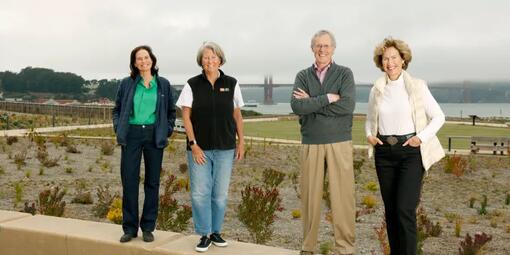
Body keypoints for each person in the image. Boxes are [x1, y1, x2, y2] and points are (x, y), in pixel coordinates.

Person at [365, 37, 445, 254]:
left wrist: (421, 137)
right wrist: (369, 136)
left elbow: (439, 116)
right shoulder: (376, 89)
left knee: (404, 210)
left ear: (403, 59)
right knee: (391, 213)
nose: (390, 62)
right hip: (384, 154)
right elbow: (370, 121)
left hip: (410, 153)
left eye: (394, 57)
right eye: (385, 59)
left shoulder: (417, 86)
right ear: (380, 62)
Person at [291, 30, 356, 255]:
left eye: (326, 46)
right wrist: (328, 98)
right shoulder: (302, 76)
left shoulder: (344, 74)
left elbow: (347, 106)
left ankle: (345, 248)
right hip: (311, 142)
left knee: (343, 198)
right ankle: (307, 247)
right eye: (318, 45)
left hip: (340, 142)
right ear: (312, 48)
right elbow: (297, 107)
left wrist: (312, 103)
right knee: (310, 198)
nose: (322, 50)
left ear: (333, 49)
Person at [175, 41, 245, 253]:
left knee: (220, 194)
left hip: (225, 148)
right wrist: (193, 144)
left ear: (220, 60)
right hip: (200, 149)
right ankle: (204, 234)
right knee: (199, 193)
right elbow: (185, 115)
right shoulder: (192, 84)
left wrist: (241, 142)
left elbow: (237, 115)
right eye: (206, 57)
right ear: (201, 61)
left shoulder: (232, 83)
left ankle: (216, 231)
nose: (210, 61)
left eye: (213, 57)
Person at [112, 45, 176, 243]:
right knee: (129, 181)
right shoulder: (126, 83)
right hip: (131, 134)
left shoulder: (163, 84)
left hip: (154, 135)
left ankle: (148, 227)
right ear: (134, 63)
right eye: (139, 58)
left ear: (152, 60)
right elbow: (117, 109)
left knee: (152, 182)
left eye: (146, 57)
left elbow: (171, 112)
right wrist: (119, 127)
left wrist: (166, 130)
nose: (143, 61)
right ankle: (130, 228)